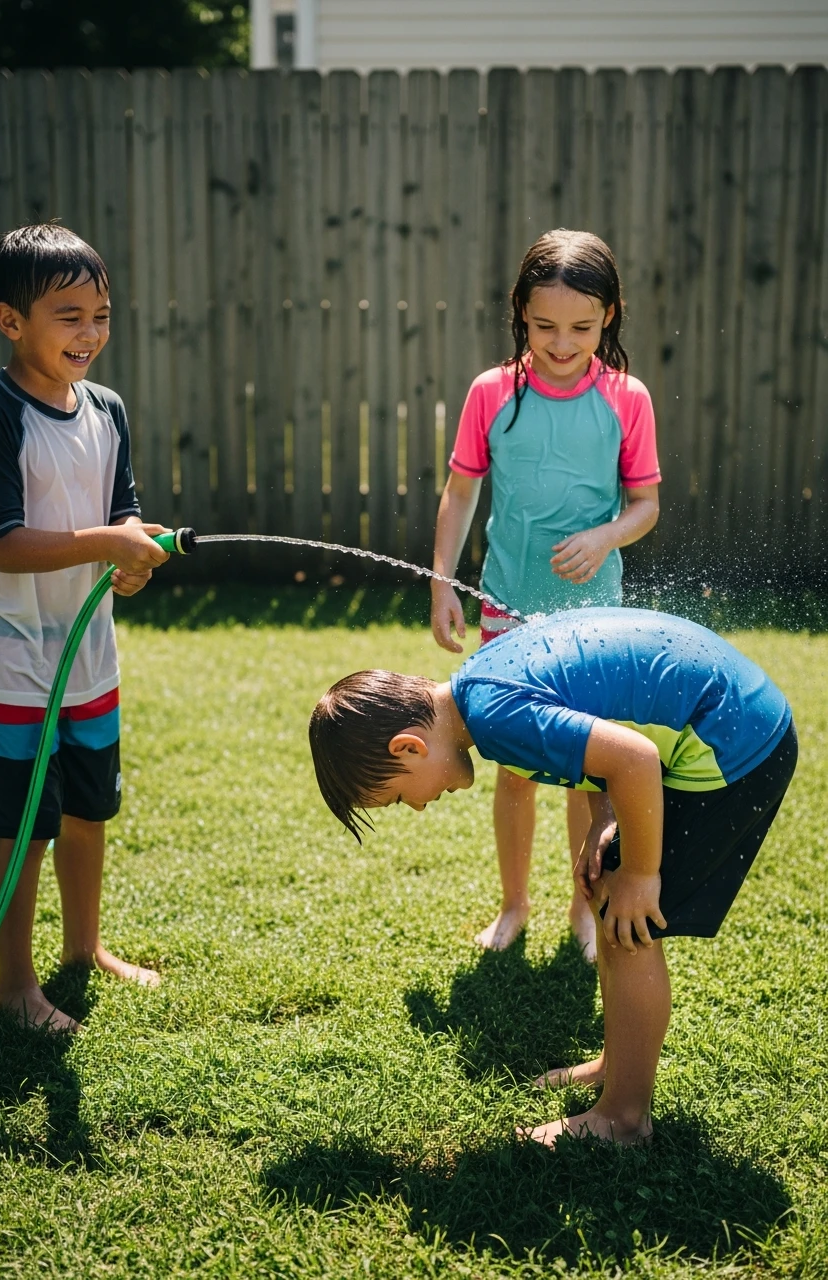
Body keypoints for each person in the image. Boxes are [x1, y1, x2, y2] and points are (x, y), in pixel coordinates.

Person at [309, 608, 796, 1146]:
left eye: (400, 796)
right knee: (604, 893)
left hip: (734, 745)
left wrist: (639, 873)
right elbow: (593, 716)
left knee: (626, 924)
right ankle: (618, 1063)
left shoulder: (497, 722)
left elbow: (634, 757)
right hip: (738, 716)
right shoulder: (478, 683)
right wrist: (605, 817)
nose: (418, 808)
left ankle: (624, 1119)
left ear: (409, 747)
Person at [0, 223, 171, 1032]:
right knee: (25, 827)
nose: (91, 333)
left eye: (102, 315)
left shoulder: (106, 410)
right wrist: (106, 543)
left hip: (91, 660)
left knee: (88, 813)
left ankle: (85, 950)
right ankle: (16, 987)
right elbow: (4, 546)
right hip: (15, 668)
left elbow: (124, 510)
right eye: (69, 316)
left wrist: (134, 552)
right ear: (12, 322)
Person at [430, 229, 660, 959]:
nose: (562, 343)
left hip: (593, 623)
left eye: (582, 328)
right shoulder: (493, 393)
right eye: (544, 326)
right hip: (508, 611)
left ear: (611, 317)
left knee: (586, 778)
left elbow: (646, 506)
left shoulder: (626, 398)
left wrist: (605, 538)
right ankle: (513, 905)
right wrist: (443, 580)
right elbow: (462, 491)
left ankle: (583, 906)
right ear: (519, 315)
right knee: (518, 773)